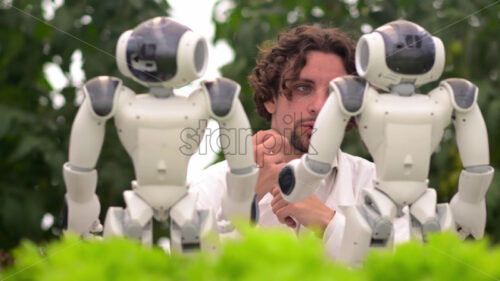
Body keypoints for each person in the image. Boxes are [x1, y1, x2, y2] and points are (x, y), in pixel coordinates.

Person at [189, 25, 409, 259]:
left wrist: (327, 222)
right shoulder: (212, 184)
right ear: (270, 99)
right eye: (303, 88)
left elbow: (408, 266)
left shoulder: (380, 186)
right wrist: (246, 198)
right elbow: (191, 268)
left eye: (336, 94)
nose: (320, 106)